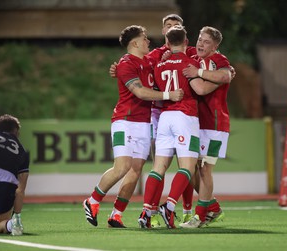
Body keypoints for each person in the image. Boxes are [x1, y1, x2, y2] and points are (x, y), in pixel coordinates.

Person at [82, 25, 184, 228]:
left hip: (143, 124)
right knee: (122, 167)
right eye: (144, 38)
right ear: (135, 43)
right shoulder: (126, 63)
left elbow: (173, 49)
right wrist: (168, 95)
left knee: (135, 170)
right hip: (125, 122)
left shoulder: (148, 61)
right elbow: (140, 92)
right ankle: (92, 201)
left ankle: (116, 215)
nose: (148, 41)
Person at [108, 14, 197, 228]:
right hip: (161, 113)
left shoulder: (170, 56)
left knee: (164, 166)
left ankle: (164, 211)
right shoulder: (160, 55)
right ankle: (160, 210)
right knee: (184, 165)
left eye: (176, 25)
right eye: (168, 25)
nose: (171, 28)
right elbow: (135, 68)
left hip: (164, 115)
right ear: (164, 31)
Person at [138, 25, 218, 229]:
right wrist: (221, 81)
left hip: (165, 117)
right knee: (188, 167)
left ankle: (147, 212)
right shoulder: (190, 63)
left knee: (158, 167)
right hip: (185, 117)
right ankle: (170, 205)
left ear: (167, 42)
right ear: (185, 41)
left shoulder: (159, 65)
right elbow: (200, 89)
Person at [179, 26, 232, 228]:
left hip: (215, 124)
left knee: (204, 170)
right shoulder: (194, 55)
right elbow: (177, 50)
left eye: (206, 41)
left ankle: (200, 216)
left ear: (215, 46)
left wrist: (198, 73)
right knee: (191, 169)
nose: (200, 44)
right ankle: (213, 209)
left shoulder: (220, 60)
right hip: (197, 123)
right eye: (200, 39)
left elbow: (226, 75)